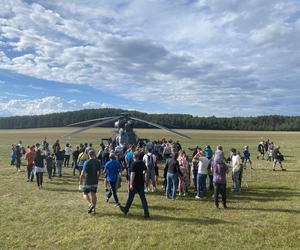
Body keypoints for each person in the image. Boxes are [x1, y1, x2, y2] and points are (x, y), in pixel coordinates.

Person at [120, 151, 150, 218]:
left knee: (130, 198)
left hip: (135, 184)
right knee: (143, 199)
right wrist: (142, 173)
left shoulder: (133, 164)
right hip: (141, 183)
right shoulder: (142, 163)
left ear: (134, 156)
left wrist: (130, 184)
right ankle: (146, 213)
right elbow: (145, 170)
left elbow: (132, 174)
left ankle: (126, 210)